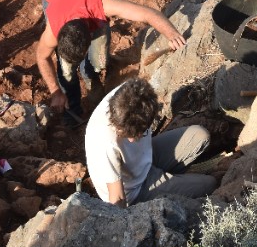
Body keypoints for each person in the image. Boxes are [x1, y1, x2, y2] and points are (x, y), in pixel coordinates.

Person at [34, 0, 184, 122]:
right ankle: (73, 110)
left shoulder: (101, 5)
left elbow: (148, 13)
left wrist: (172, 34)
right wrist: (55, 91)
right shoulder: (53, 28)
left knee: (99, 59)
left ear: (90, 34)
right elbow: (42, 56)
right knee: (66, 69)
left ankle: (90, 75)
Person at [85, 78, 216, 205]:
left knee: (201, 136)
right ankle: (168, 186)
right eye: (126, 135)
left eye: (138, 134)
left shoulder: (134, 95)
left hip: (146, 158)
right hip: (134, 190)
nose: (131, 140)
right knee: (210, 184)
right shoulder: (105, 143)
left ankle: (173, 181)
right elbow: (117, 197)